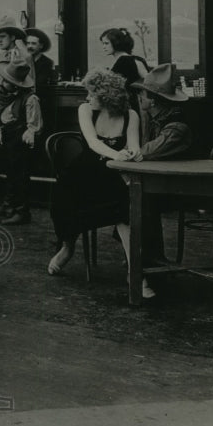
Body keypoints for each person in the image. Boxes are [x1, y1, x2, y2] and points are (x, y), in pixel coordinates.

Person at [47, 68, 153, 298]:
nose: (87, 98)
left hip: (114, 174)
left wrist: (131, 153)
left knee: (126, 207)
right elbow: (93, 143)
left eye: (92, 94)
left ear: (106, 95)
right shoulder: (85, 110)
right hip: (84, 172)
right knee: (63, 196)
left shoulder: (131, 115)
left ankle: (135, 271)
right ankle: (67, 247)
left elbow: (133, 144)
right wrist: (116, 154)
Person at [129, 63, 195, 264]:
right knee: (137, 198)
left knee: (141, 200)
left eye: (143, 94)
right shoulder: (156, 117)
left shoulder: (176, 126)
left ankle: (147, 257)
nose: (139, 98)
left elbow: (147, 152)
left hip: (187, 189)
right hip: (165, 183)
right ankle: (143, 254)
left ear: (153, 100)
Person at [0, 58, 43, 226]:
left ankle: (21, 211)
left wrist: (30, 133)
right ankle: (8, 206)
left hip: (21, 140)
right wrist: (1, 134)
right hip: (9, 137)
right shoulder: (3, 97)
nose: (2, 83)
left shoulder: (30, 99)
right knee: (10, 174)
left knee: (20, 176)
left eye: (6, 81)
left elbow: (34, 125)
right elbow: (4, 120)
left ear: (16, 85)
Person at [100, 27, 150, 97]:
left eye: (106, 43)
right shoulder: (136, 59)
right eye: (103, 43)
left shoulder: (124, 60)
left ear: (116, 42)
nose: (103, 47)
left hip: (127, 103)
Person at [24, 27, 55, 96]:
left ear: (41, 46)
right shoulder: (24, 61)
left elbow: (40, 84)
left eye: (33, 43)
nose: (30, 46)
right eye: (28, 43)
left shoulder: (47, 63)